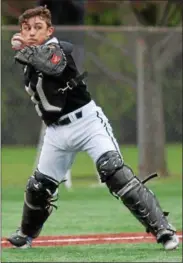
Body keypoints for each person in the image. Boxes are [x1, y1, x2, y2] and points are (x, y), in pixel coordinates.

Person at [7, 6, 179, 250]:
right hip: (56, 132)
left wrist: (24, 47)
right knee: (38, 187)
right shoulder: (29, 57)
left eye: (38, 28)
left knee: (114, 172)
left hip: (86, 122)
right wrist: (26, 49)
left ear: (50, 31)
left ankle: (163, 228)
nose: (32, 32)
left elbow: (53, 66)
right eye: (26, 29)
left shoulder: (59, 49)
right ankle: (25, 234)